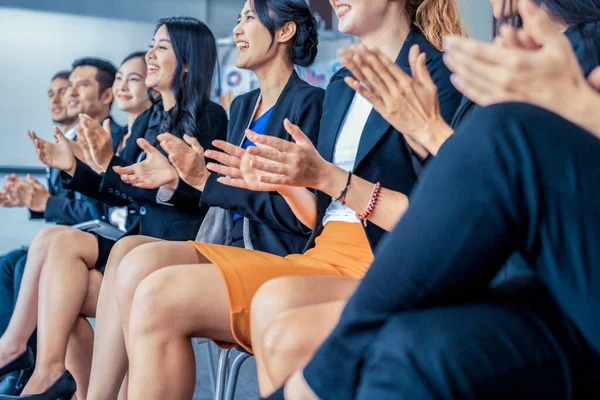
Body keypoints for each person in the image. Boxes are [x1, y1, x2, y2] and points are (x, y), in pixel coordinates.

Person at [245, 0, 600, 394]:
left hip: (404, 257)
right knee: (403, 354)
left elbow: (458, 198)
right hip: (526, 274)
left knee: (505, 131)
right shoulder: (341, 84)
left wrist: (423, 134)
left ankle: (323, 372)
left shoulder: (443, 72)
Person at [117, 0, 463, 398]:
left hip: (381, 256)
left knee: (162, 294)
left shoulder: (439, 75)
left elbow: (445, 212)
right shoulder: (341, 83)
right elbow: (314, 205)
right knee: (149, 285)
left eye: (249, 18)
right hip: (320, 249)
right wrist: (275, 179)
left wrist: (316, 179)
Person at [79, 1, 323, 397]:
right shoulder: (243, 105)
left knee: (139, 266)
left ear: (285, 31)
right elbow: (225, 192)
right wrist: (185, 182)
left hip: (275, 250)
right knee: (128, 250)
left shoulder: (309, 103)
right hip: (227, 240)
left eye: (248, 18)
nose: (238, 29)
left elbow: (298, 216)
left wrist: (199, 181)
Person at [0, 17, 227, 400]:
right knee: (59, 270)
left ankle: (35, 363)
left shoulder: (208, 116)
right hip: (139, 241)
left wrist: (168, 183)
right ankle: (53, 373)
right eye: (151, 45)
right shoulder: (150, 119)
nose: (150, 56)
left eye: (161, 48)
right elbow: (121, 190)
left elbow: (205, 195)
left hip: (176, 245)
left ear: (187, 62)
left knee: (62, 263)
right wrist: (75, 167)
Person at [0, 63, 122, 396]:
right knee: (8, 264)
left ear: (108, 94)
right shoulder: (67, 141)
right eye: (58, 92)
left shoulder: (115, 137)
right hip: (81, 238)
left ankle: (23, 366)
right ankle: (18, 362)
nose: (66, 96)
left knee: (33, 267)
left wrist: (45, 202)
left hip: (105, 240)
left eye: (74, 87)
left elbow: (106, 210)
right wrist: (34, 201)